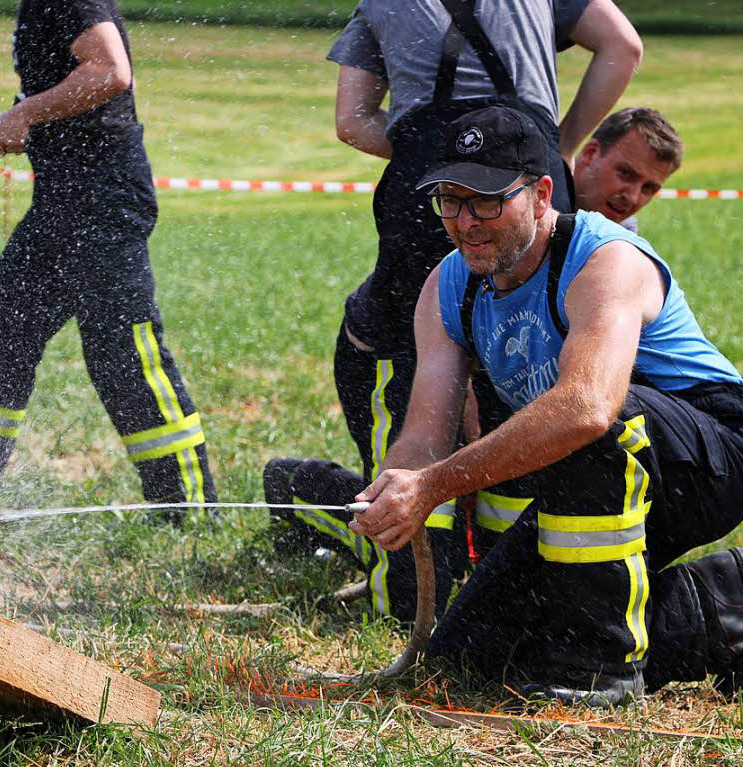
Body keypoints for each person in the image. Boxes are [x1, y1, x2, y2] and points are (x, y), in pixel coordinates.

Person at [347, 105, 743, 706]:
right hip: (606, 464)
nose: (465, 222)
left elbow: (587, 407)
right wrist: (398, 488)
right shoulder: (447, 285)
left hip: (714, 450)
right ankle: (726, 602)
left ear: (540, 195)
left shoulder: (606, 259)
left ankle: (597, 671)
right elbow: (425, 435)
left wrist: (434, 485)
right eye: (450, 201)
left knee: (596, 427)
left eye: (485, 201)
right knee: (473, 656)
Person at [265, 0, 643, 620]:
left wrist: (428, 152)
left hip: (425, 173)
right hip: (531, 161)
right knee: (518, 365)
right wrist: (556, 143)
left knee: (408, 369)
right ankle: (458, 546)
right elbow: (623, 47)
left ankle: (419, 565)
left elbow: (351, 119)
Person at [0, 0, 216, 515]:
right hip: (64, 202)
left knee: (123, 352)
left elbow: (109, 72)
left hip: (101, 200)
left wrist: (24, 113)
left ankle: (188, 507)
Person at [573, 107, 683, 232]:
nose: (632, 198)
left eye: (648, 188)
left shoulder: (623, 232)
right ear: (591, 153)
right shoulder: (547, 200)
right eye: (625, 173)